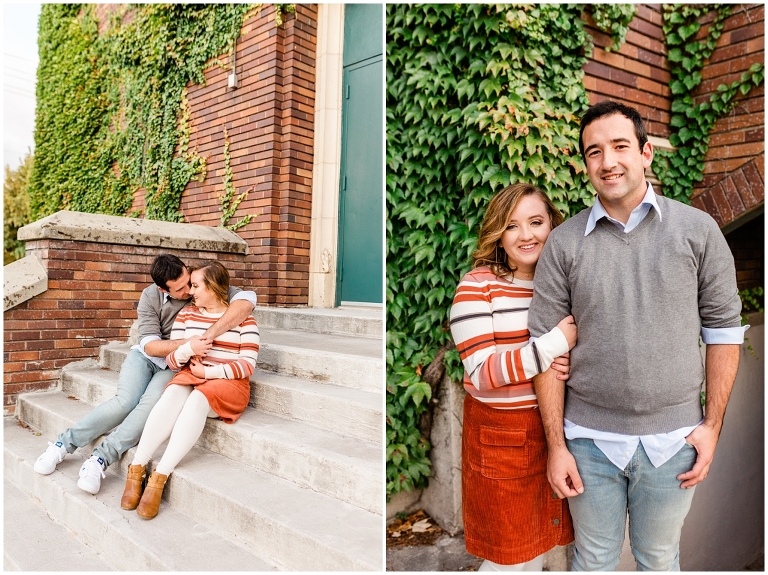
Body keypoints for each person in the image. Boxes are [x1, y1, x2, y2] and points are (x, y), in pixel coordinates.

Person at [529, 100, 744, 571]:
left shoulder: (697, 230)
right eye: (594, 152)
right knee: (593, 561)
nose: (607, 162)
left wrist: (712, 427)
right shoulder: (563, 244)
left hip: (674, 443)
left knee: (659, 560)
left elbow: (725, 332)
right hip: (587, 442)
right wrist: (557, 447)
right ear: (584, 163)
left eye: (620, 146)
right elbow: (544, 351)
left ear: (646, 153)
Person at [33, 254, 257, 495]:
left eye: (189, 282)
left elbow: (245, 302)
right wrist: (188, 344)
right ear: (163, 289)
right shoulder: (151, 296)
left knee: (148, 407)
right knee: (124, 402)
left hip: (174, 365)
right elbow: (150, 346)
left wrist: (205, 337)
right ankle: (62, 445)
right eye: (181, 288)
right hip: (148, 357)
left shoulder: (200, 282)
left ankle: (100, 459)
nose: (189, 291)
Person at [449, 183, 578, 571]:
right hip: (502, 435)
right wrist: (553, 346)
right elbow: (483, 373)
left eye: (536, 222)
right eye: (512, 225)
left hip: (555, 431)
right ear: (498, 236)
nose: (526, 235)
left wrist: (567, 361)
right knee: (508, 559)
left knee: (538, 550)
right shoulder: (477, 287)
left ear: (553, 226)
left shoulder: (562, 286)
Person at [121, 261, 259, 519]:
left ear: (214, 287)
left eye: (195, 286)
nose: (190, 293)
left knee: (197, 398)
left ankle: (160, 476)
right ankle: (137, 467)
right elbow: (173, 362)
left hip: (227, 383)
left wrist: (207, 373)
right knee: (173, 391)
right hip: (191, 376)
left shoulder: (244, 320)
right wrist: (188, 349)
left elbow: (247, 366)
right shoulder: (187, 315)